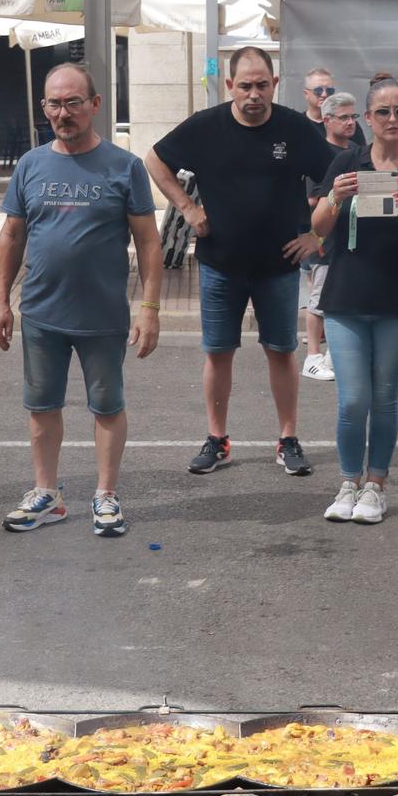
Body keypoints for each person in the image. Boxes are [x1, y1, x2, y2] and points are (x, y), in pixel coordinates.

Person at [0, 62, 160, 538]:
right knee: (42, 406)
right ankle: (47, 494)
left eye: (73, 103)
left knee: (107, 406)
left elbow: (148, 242)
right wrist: (0, 301)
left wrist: (149, 309)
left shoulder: (125, 167)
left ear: (95, 105)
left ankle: (106, 495)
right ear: (44, 108)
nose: (63, 113)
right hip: (42, 312)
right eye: (54, 104)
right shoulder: (31, 165)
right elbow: (11, 236)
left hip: (104, 315)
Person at [147, 46, 333, 477]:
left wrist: (316, 233)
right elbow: (155, 160)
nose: (254, 94)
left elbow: (338, 178)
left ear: (274, 85)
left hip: (279, 266)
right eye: (245, 85)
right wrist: (187, 209)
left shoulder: (296, 129)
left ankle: (288, 439)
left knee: (282, 351)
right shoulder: (206, 127)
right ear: (230, 86)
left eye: (262, 85)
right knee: (218, 353)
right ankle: (217, 439)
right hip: (220, 264)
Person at [308, 77, 398, 526]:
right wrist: (334, 196)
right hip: (347, 296)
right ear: (367, 118)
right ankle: (349, 480)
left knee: (383, 397)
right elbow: (319, 227)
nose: (392, 119)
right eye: (383, 112)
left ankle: (376, 486)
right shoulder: (348, 162)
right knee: (352, 400)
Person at [301, 90, 361, 383]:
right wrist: (317, 237)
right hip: (326, 238)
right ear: (327, 120)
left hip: (354, 240)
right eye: (344, 117)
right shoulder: (319, 155)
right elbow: (314, 201)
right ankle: (312, 357)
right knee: (319, 300)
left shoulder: (358, 152)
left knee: (344, 298)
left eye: (354, 116)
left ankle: (332, 356)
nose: (351, 122)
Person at [301, 67, 362, 146]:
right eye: (318, 90)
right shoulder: (299, 124)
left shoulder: (348, 123)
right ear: (306, 94)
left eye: (329, 91)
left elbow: (361, 153)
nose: (324, 95)